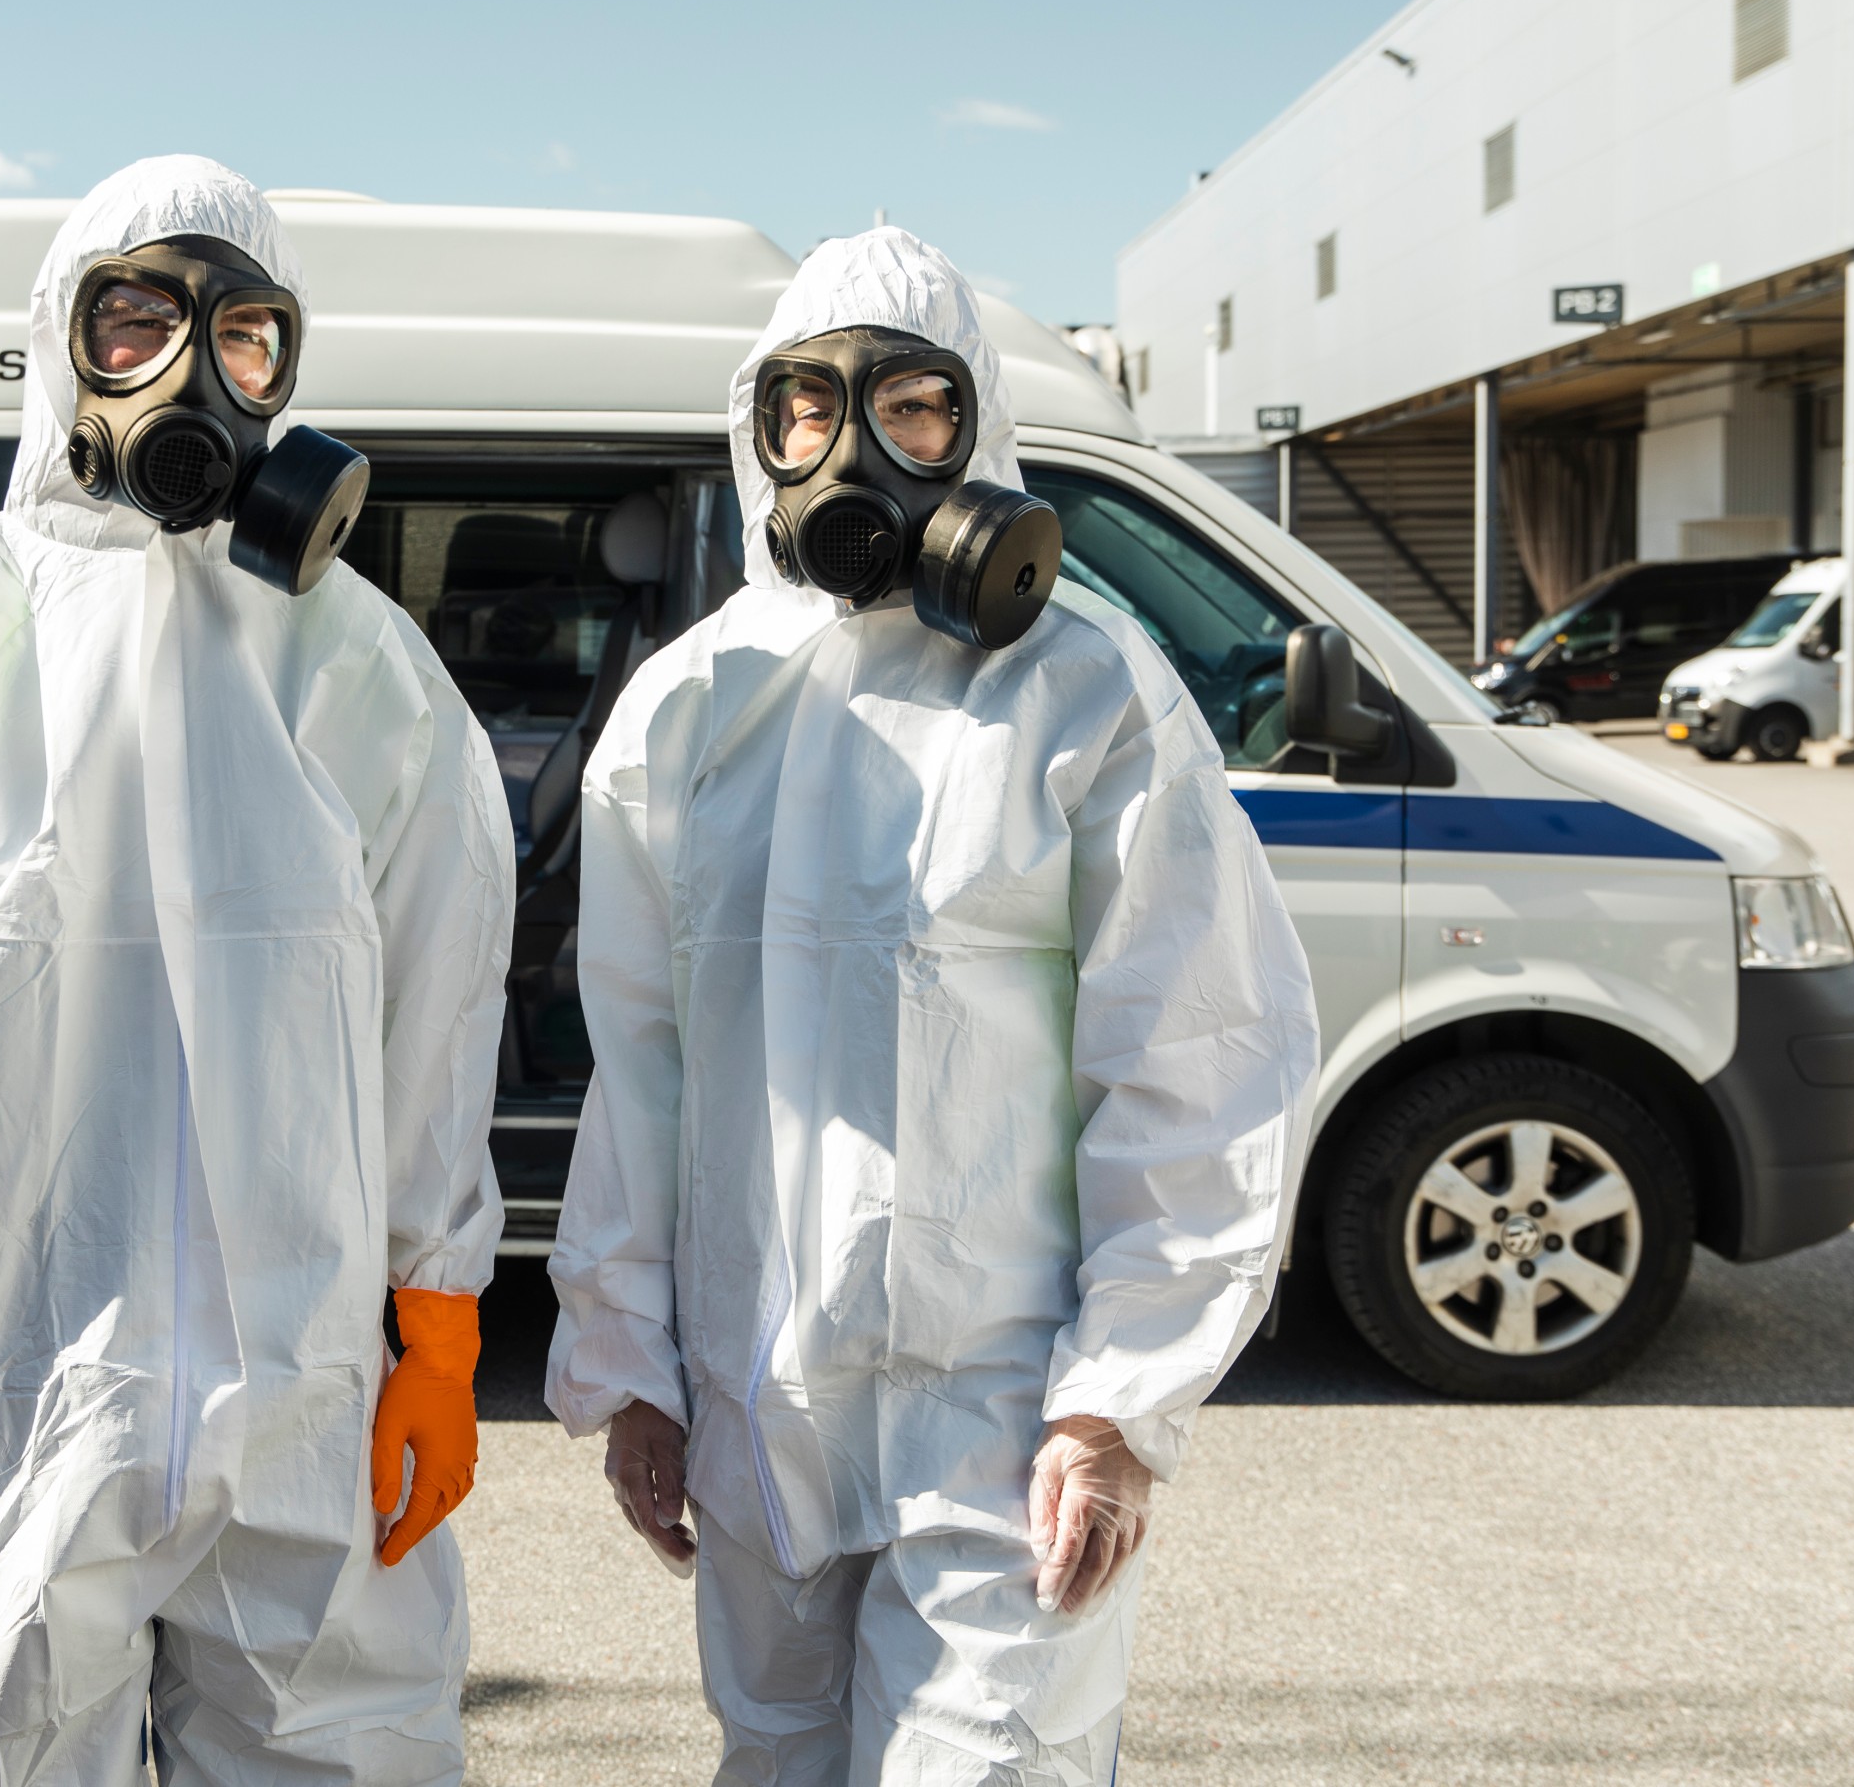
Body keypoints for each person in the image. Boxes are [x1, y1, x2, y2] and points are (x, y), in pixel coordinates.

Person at [0, 156, 515, 1787]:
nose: (189, 368)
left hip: (304, 1394)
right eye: (138, 319)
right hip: (13, 1379)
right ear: (63, 341)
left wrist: (438, 1311)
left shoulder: (357, 663)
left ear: (285, 366)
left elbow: (441, 1005)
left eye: (241, 334)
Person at [545, 228, 1320, 1785]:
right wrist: (630, 1369)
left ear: (977, 433)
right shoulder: (686, 709)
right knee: (774, 1759)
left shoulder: (1086, 690)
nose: (856, 453)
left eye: (908, 408)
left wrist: (1115, 1406)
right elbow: (639, 1065)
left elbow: (1197, 1054)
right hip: (757, 1404)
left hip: (1003, 1416)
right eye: (810, 411)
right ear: (761, 434)